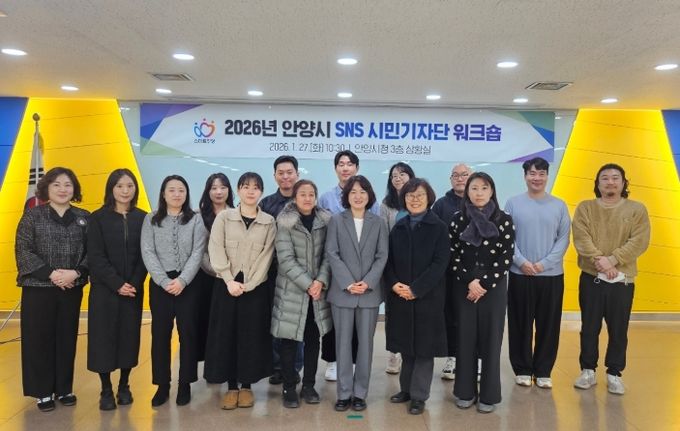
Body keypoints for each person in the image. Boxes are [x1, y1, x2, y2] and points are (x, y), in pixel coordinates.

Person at [15, 167, 89, 412]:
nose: (62, 189)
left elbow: (94, 252)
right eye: (56, 184)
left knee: (66, 338)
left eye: (68, 184)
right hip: (39, 288)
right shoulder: (32, 216)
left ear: (74, 189)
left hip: (71, 287)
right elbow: (23, 250)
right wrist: (52, 274)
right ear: (46, 187)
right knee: (39, 340)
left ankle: (64, 388)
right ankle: (43, 391)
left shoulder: (84, 217)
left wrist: (76, 273)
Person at [572, 163, 650, 395]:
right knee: (589, 327)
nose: (610, 182)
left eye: (616, 178)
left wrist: (613, 260)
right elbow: (581, 237)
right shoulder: (586, 208)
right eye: (604, 178)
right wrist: (600, 261)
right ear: (597, 184)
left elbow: (639, 241)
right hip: (591, 277)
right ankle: (588, 371)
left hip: (622, 280)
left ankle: (614, 373)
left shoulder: (637, 209)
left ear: (624, 183)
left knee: (618, 329)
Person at [204, 172, 276, 410]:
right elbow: (216, 249)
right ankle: (232, 386)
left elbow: (267, 256)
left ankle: (246, 386)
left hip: (254, 289)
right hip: (226, 287)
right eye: (246, 186)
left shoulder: (268, 221)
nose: (250, 191)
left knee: (251, 336)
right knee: (227, 335)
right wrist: (229, 280)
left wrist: (250, 284)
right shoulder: (224, 217)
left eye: (255, 187)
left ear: (261, 192)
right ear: (238, 190)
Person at [450, 172, 514, 414]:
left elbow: (506, 256)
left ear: (492, 191)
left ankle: (489, 395)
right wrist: (470, 281)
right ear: (467, 191)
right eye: (474, 188)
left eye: (484, 188)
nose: (479, 193)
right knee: (465, 339)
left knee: (491, 341)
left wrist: (484, 283)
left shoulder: (503, 220)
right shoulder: (458, 219)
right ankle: (465, 392)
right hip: (464, 286)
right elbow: (452, 254)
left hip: (493, 288)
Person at [384, 178, 450, 415]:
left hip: (427, 297)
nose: (415, 199)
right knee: (406, 345)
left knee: (424, 348)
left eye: (420, 195)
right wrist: (394, 284)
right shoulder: (399, 227)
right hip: (400, 296)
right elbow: (388, 261)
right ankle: (406, 390)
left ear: (428, 197)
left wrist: (416, 289)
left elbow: (440, 263)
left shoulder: (439, 227)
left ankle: (419, 396)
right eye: (410, 196)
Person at [141, 175, 207, 407]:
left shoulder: (196, 220)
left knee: (188, 334)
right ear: (163, 193)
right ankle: (162, 385)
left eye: (181, 190)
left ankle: (185, 384)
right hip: (161, 285)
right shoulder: (151, 219)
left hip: (188, 285)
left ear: (186, 194)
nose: (177, 194)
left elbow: (198, 252)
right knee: (160, 335)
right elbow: (147, 251)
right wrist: (163, 280)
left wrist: (182, 280)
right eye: (172, 190)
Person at [504, 158, 570, 389]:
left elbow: (563, 239)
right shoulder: (513, 203)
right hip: (519, 274)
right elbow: (507, 238)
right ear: (525, 176)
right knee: (519, 323)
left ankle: (543, 370)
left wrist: (544, 264)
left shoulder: (559, 205)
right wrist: (521, 262)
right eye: (532, 173)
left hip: (551, 276)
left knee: (548, 324)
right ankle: (522, 369)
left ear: (547, 176)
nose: (537, 178)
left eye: (541, 174)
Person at [325, 175, 389, 412]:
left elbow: (382, 255)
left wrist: (368, 282)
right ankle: (343, 393)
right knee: (342, 345)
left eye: (363, 191)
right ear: (346, 196)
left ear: (369, 195)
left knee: (365, 346)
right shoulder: (336, 220)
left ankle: (360, 393)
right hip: (343, 293)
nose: (358, 196)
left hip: (369, 294)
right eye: (353, 192)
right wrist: (348, 283)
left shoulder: (378, 222)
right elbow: (332, 253)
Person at [87, 169, 148, 410]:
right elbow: (95, 256)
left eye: (130, 186)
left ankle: (124, 385)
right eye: (120, 186)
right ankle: (105, 389)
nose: (125, 191)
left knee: (129, 338)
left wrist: (133, 282)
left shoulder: (143, 218)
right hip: (105, 290)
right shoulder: (97, 218)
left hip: (132, 290)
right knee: (103, 339)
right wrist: (116, 284)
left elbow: (146, 255)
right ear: (111, 188)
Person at [270, 179, 333, 408]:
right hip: (292, 291)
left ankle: (308, 385)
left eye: (311, 194)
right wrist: (309, 284)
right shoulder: (284, 222)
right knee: (289, 341)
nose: (307, 198)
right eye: (302, 194)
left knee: (312, 340)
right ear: (294, 198)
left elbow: (329, 255)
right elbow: (285, 259)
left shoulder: (325, 221)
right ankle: (289, 387)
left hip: (317, 293)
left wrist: (321, 281)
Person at [318, 150, 378, 381]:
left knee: (359, 327)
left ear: (356, 167)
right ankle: (333, 361)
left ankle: (353, 363)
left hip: (364, 271)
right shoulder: (325, 199)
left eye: (350, 164)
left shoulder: (371, 202)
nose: (345, 168)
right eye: (341, 164)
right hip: (335, 269)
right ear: (335, 168)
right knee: (334, 321)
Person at [259, 155, 304, 385]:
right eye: (281, 173)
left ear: (297, 174)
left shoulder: (305, 201)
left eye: (289, 172)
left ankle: (294, 367)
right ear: (275, 175)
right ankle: (277, 366)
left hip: (299, 274)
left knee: (297, 321)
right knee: (275, 320)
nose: (285, 176)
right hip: (272, 272)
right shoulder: (266, 204)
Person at [431, 162, 472, 380]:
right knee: (451, 316)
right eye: (456, 175)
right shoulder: (441, 205)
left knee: (472, 317)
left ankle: (473, 359)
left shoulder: (479, 202)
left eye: (464, 175)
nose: (460, 178)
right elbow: (434, 237)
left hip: (474, 273)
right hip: (448, 272)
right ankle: (452, 358)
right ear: (450, 179)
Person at [379, 162, 416, 375]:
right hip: (393, 265)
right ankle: (394, 353)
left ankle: (410, 352)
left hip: (416, 267)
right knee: (393, 312)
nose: (398, 178)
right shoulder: (386, 205)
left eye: (402, 174)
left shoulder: (420, 199)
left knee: (412, 311)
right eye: (394, 175)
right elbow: (383, 236)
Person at [196, 173, 234, 363]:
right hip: (205, 276)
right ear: (207, 191)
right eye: (214, 188)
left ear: (229, 190)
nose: (219, 192)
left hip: (229, 279)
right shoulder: (198, 216)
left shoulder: (235, 214)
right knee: (205, 321)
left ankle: (224, 363)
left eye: (223, 187)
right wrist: (216, 270)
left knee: (225, 324)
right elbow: (199, 250)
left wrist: (226, 274)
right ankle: (209, 363)